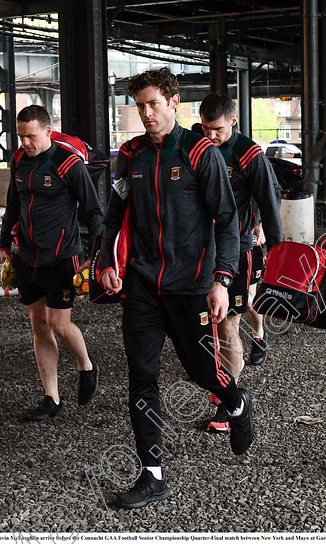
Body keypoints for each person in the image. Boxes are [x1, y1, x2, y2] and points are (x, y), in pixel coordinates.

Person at [99, 68, 254, 508]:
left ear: (174, 103)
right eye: (140, 105)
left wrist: (222, 280)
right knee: (141, 376)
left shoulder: (200, 152)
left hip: (192, 284)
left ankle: (236, 402)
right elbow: (114, 217)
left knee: (202, 372)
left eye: (153, 104)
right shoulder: (129, 156)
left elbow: (228, 221)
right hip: (143, 286)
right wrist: (106, 262)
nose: (146, 113)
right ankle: (152, 475)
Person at [0, 105, 103, 421]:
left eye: (31, 136)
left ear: (48, 130)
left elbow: (94, 212)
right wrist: (5, 243)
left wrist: (97, 256)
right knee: (39, 325)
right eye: (20, 136)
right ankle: (52, 399)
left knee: (59, 323)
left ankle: (86, 365)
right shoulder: (19, 161)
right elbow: (12, 206)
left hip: (62, 257)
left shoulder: (68, 164)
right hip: (29, 258)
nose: (25, 143)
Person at [198, 92, 283, 432]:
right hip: (199, 250)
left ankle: (228, 402)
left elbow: (270, 201)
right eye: (204, 128)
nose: (210, 136)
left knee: (228, 322)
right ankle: (220, 380)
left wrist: (278, 256)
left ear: (233, 121)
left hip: (237, 250)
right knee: (209, 323)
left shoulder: (250, 156)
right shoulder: (198, 145)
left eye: (216, 129)